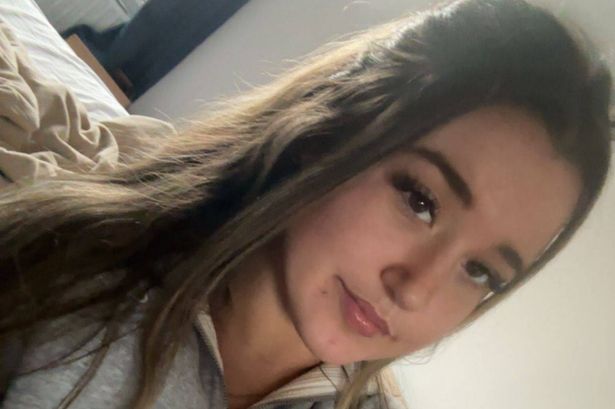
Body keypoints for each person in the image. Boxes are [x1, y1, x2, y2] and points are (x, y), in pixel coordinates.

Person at [0, 0, 612, 408]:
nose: (416, 290)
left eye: (479, 271)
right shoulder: (60, 279)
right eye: (421, 201)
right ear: (328, 134)